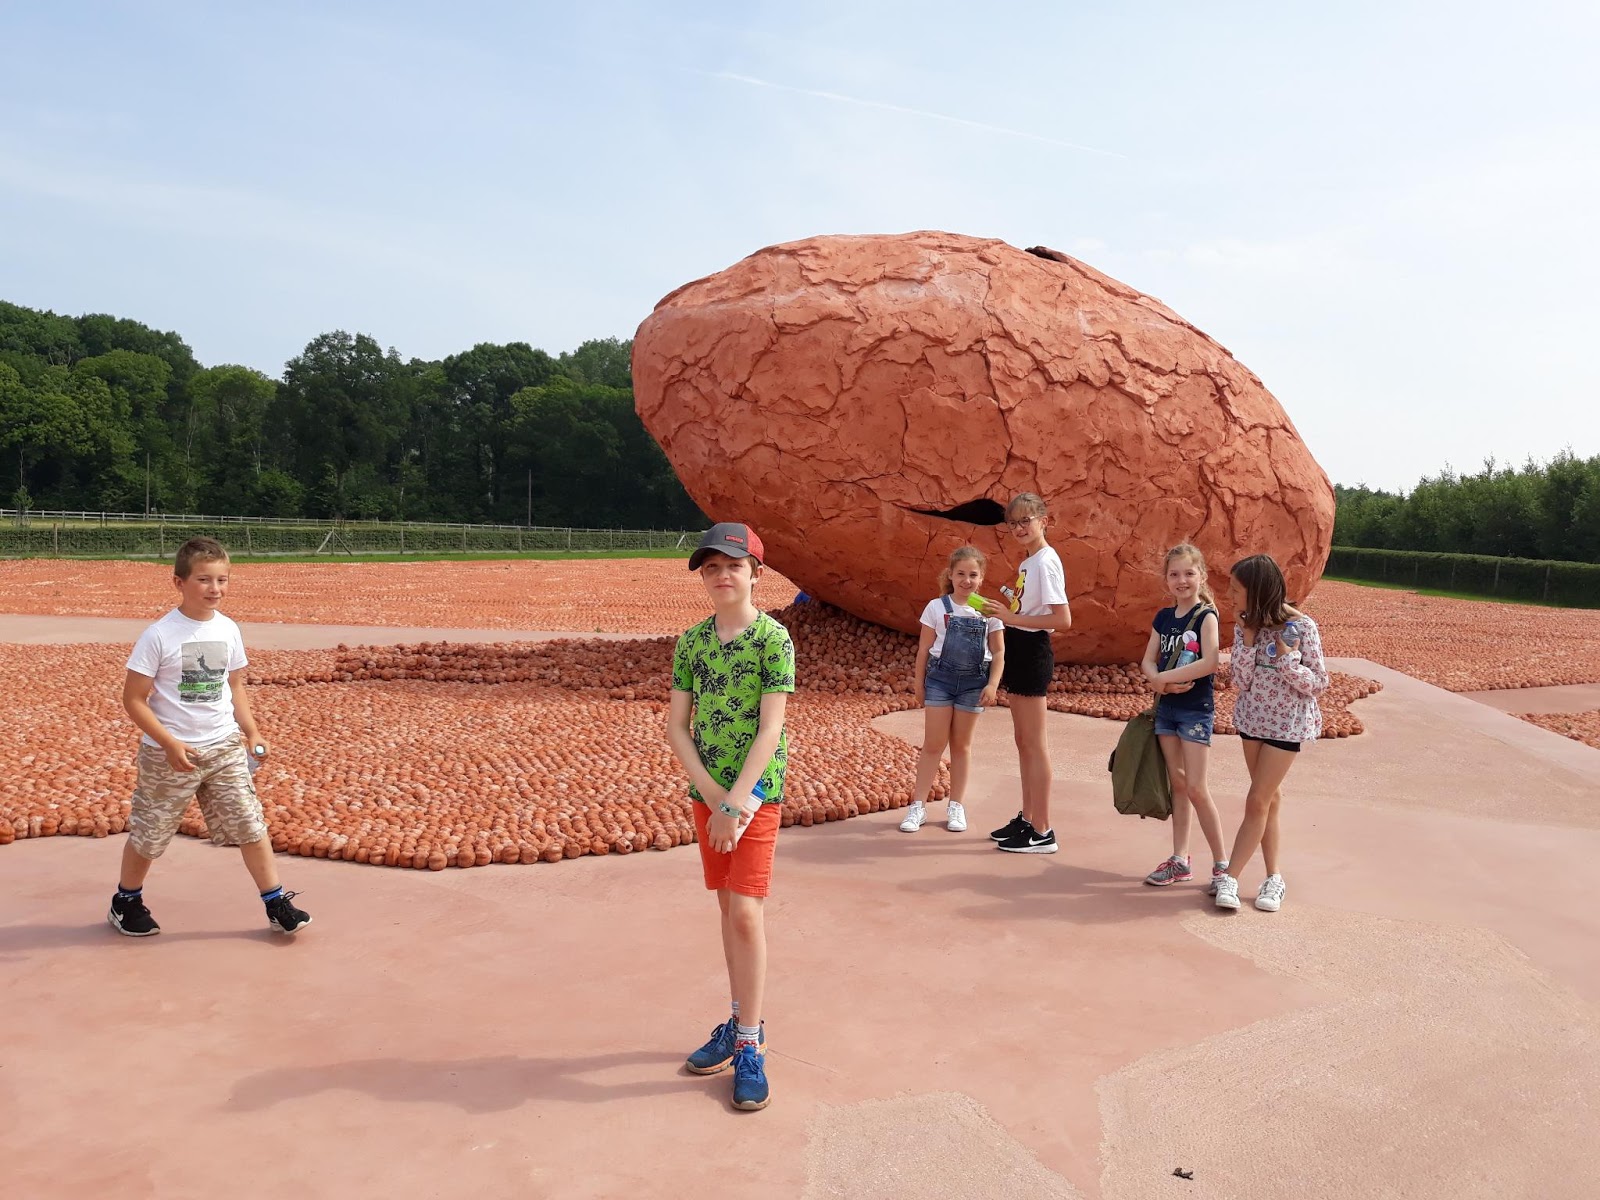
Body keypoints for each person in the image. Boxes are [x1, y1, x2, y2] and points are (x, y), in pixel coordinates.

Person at [109, 537, 311, 937]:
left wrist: (251, 731)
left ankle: (275, 903)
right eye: (204, 579)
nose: (214, 588)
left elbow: (233, 685)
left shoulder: (228, 629)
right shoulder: (159, 635)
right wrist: (169, 743)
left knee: (250, 824)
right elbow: (133, 699)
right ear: (179, 582)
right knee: (150, 835)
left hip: (224, 747)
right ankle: (126, 901)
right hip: (169, 754)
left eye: (222, 579)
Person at [667, 522, 794, 1111]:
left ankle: (749, 1042)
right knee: (725, 908)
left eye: (734, 566)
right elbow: (678, 726)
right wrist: (712, 795)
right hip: (709, 793)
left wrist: (734, 802)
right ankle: (740, 1017)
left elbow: (771, 728)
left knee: (745, 912)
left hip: (755, 795)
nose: (722, 575)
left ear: (755, 574)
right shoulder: (691, 643)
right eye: (712, 566)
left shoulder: (773, 639)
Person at [1213, 554, 1329, 912]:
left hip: (1286, 726)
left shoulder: (1302, 628)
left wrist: (1287, 660)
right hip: (1252, 722)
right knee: (1269, 800)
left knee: (1257, 800)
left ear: (1258, 591)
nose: (1230, 596)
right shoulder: (1245, 625)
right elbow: (1241, 680)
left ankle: (1230, 877)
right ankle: (1274, 877)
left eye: (1236, 589)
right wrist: (1248, 640)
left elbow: (1318, 683)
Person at [1138, 544, 1229, 890]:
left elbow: (1210, 661)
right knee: (1177, 784)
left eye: (1189, 573)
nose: (1182, 580)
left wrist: (1164, 679)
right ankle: (1180, 859)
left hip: (1194, 711)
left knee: (1196, 787)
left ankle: (1222, 866)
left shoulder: (1206, 616)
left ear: (1201, 576)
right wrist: (1158, 680)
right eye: (1174, 574)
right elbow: (1148, 659)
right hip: (1167, 710)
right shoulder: (1163, 617)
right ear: (1166, 578)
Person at [987, 493, 1073, 853]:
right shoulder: (1030, 562)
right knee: (1023, 741)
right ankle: (1028, 817)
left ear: (1043, 521)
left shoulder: (1045, 562)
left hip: (1033, 649)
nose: (1019, 528)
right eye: (1013, 523)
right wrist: (1005, 612)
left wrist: (1010, 617)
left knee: (1035, 744)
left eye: (1026, 520)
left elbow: (1062, 619)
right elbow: (1029, 609)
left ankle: (1043, 830)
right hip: (1019, 647)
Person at [900, 546, 1005, 834]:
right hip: (940, 681)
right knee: (933, 744)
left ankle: (956, 805)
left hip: (973, 684)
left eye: (973, 575)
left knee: (961, 746)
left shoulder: (990, 612)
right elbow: (924, 649)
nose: (966, 580)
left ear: (981, 578)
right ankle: (918, 806)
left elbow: (998, 652)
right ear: (950, 575)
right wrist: (919, 683)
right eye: (960, 574)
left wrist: (993, 684)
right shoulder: (936, 607)